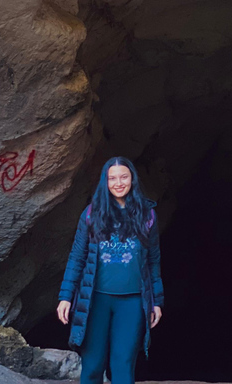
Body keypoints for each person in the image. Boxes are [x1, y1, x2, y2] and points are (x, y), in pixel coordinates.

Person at [57, 157, 164, 384]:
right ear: (105, 182)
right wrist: (65, 296)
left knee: (123, 365)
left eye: (123, 177)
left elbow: (153, 261)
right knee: (93, 365)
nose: (118, 183)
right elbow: (77, 257)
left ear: (132, 179)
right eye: (112, 178)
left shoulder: (147, 215)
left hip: (133, 302)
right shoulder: (91, 214)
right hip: (96, 300)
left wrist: (157, 302)